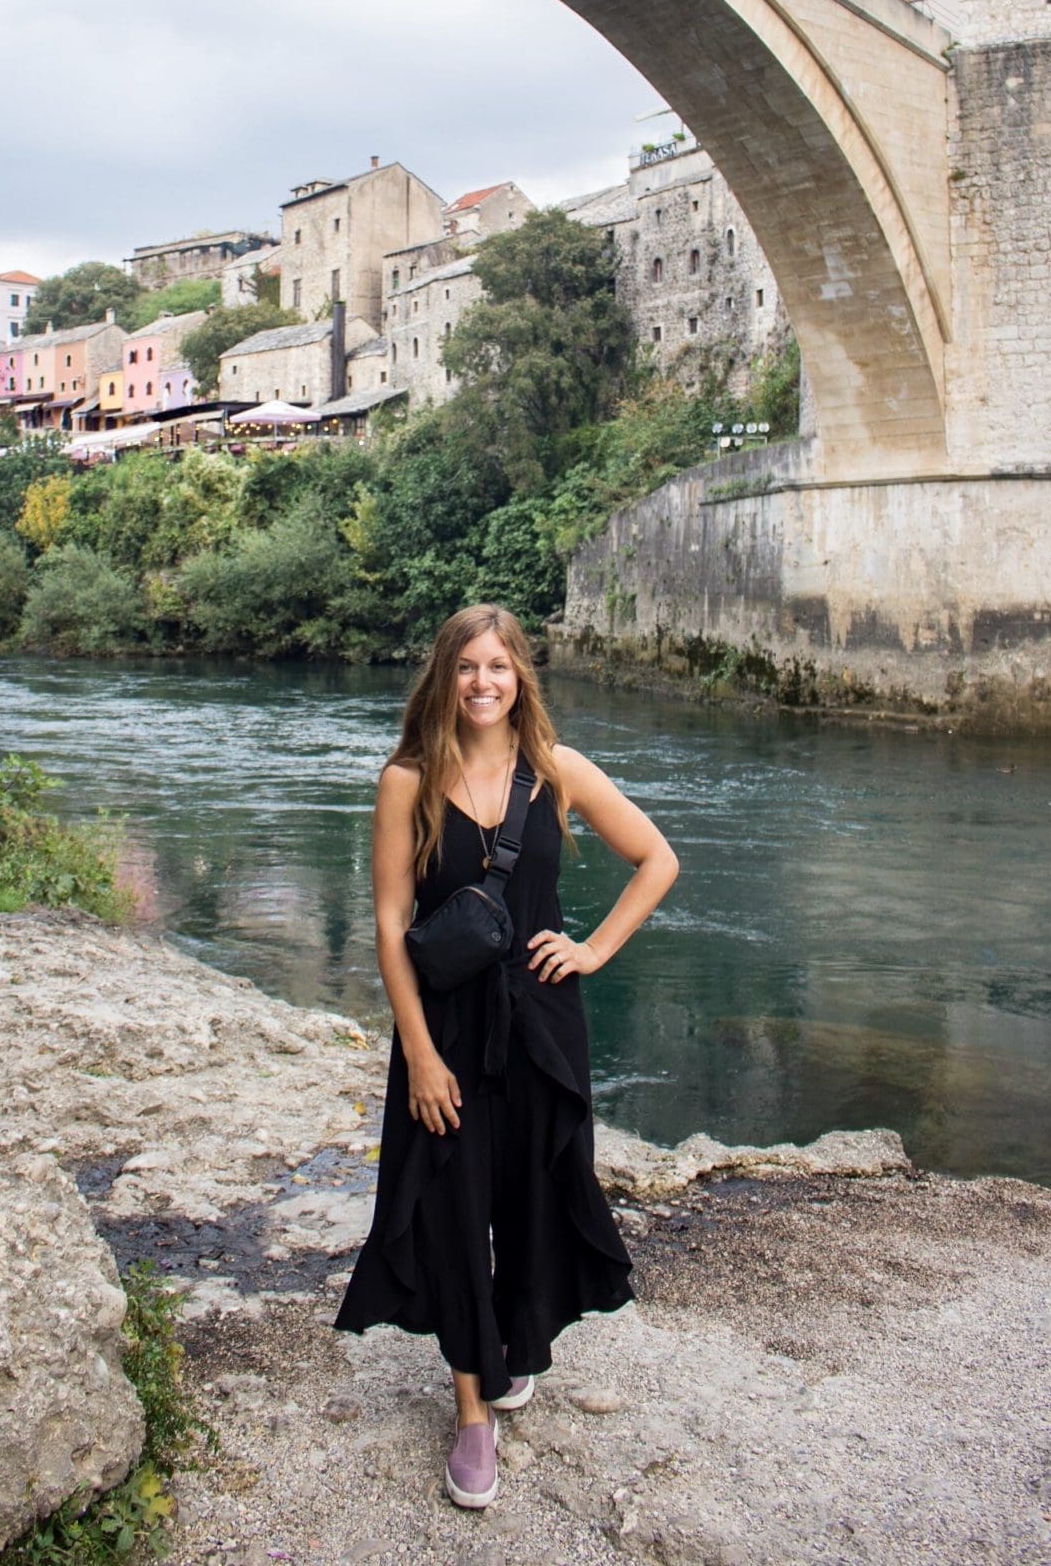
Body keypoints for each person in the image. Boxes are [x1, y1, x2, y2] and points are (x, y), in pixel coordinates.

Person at [335, 603, 679, 1510]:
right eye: (465, 667)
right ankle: (472, 1413)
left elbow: (657, 859)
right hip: (445, 1028)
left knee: (532, 1197)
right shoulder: (406, 780)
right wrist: (415, 1049)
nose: (483, 683)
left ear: (520, 675)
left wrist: (592, 950)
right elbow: (388, 923)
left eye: (498, 666)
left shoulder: (555, 772)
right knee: (451, 1200)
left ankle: (514, 1349)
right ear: (442, 677)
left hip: (541, 1026)